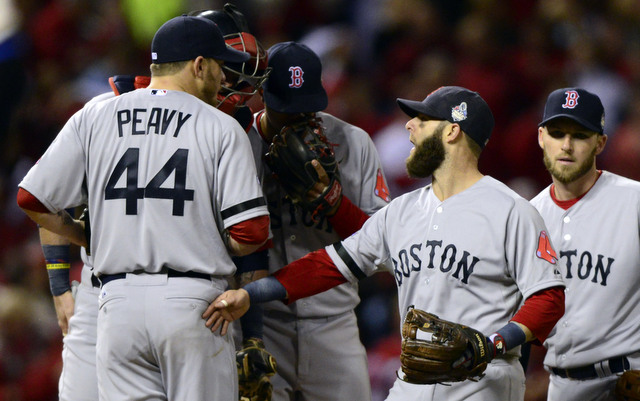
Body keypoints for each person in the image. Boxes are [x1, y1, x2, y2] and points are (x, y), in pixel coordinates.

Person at [205, 86, 567, 401]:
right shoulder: (402, 211)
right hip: (413, 376)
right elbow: (329, 265)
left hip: (483, 379)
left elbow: (548, 298)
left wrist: (492, 345)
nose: (409, 126)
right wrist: (252, 294)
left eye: (422, 120)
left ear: (453, 131)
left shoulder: (511, 210)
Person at [17, 15, 269, 401]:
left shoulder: (97, 113)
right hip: (191, 300)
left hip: (115, 300)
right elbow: (251, 234)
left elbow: (33, 198)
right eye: (221, 67)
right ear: (199, 65)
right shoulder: (222, 127)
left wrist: (84, 237)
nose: (226, 81)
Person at [232, 41, 391, 400]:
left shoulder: (353, 143)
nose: (300, 117)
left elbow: (384, 248)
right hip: (263, 325)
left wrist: (334, 203)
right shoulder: (238, 144)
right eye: (288, 109)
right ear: (264, 96)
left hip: (334, 322)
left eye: (308, 108)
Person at [531, 88, 640, 401]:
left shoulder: (633, 202)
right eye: (557, 133)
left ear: (600, 143)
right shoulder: (528, 217)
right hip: (561, 387)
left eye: (580, 135)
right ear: (541, 137)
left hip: (627, 381)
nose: (566, 145)